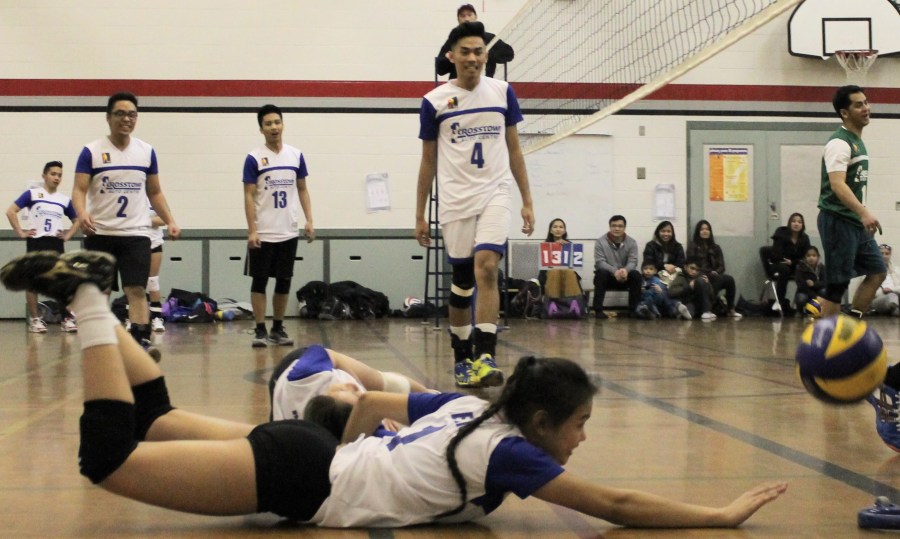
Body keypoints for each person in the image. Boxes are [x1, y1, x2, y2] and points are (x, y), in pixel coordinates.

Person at [0, 249, 788, 529]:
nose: (582, 437)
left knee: (157, 417)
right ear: (541, 419)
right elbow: (617, 506)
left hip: (309, 456)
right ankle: (90, 300)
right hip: (303, 474)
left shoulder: (471, 402)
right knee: (107, 458)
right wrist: (718, 513)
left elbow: (373, 406)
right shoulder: (511, 454)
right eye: (578, 423)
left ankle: (96, 299)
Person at [414, 21, 535, 388]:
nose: (473, 58)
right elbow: (428, 161)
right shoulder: (434, 101)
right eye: (465, 52)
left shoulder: (502, 92)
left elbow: (515, 149)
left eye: (479, 51)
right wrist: (418, 213)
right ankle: (461, 356)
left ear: (486, 56)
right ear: (451, 56)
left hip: (495, 192)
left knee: (487, 267)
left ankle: (486, 355)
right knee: (462, 284)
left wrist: (527, 200)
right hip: (455, 201)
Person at [71, 91, 180, 355]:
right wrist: (82, 213)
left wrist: (170, 220)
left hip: (135, 234)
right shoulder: (92, 151)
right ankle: (101, 342)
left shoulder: (145, 151)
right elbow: (78, 189)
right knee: (100, 292)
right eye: (120, 113)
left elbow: (155, 191)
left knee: (136, 289)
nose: (126, 119)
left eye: (131, 114)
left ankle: (141, 342)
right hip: (101, 234)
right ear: (108, 118)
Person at [243, 104, 315, 348]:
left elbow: (303, 189)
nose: (274, 127)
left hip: (288, 231)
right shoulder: (254, 158)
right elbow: (248, 195)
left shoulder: (296, 155)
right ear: (261, 129)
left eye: (277, 122)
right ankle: (261, 329)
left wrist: (309, 220)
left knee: (284, 281)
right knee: (259, 281)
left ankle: (277, 327)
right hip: (263, 232)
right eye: (268, 124)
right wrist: (252, 230)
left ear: (282, 124)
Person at [817, 85, 886, 319]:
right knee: (838, 284)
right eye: (859, 104)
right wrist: (864, 212)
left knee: (878, 271)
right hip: (838, 219)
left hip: (855, 222)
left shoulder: (858, 141)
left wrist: (862, 216)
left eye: (866, 102)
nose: (866, 108)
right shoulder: (839, 143)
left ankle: (850, 327)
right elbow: (837, 185)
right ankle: (825, 345)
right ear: (844, 113)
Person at [5, 160, 80, 332]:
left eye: (60, 175)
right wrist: (20, 232)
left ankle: (66, 318)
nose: (57, 177)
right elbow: (11, 211)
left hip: (55, 243)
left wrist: (68, 234)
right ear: (44, 175)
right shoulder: (32, 194)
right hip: (37, 242)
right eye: (53, 174)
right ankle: (35, 320)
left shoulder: (64, 200)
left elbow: (77, 220)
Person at [268, 344, 432, 423]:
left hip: (295, 367)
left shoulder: (304, 375)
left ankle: (431, 395)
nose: (353, 386)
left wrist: (377, 402)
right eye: (358, 394)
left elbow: (331, 355)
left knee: (384, 382)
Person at [435, 4, 514, 80]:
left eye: (469, 15)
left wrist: (487, 53)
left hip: (484, 87)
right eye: (463, 16)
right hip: (459, 87)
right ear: (458, 20)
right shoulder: (452, 41)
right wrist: (451, 58)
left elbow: (509, 54)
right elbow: (440, 70)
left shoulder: (489, 38)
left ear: (475, 17)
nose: (466, 19)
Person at [686, 220, 742, 319]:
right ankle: (707, 309)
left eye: (707, 229)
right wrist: (705, 273)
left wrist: (716, 272)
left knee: (729, 279)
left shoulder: (716, 247)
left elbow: (721, 265)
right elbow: (691, 264)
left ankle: (730, 309)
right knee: (710, 278)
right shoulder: (693, 246)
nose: (705, 231)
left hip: (714, 274)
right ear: (698, 231)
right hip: (699, 274)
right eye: (702, 229)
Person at [592, 215, 641, 319]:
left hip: (624, 277)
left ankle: (633, 310)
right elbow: (599, 262)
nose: (617, 228)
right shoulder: (600, 242)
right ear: (610, 227)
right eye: (614, 225)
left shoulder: (632, 242)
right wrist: (615, 271)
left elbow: (633, 261)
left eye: (620, 226)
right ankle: (598, 310)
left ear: (624, 228)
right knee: (600, 273)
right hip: (608, 277)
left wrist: (625, 270)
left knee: (636, 275)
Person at [766, 212, 811, 312]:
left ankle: (805, 303)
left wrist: (793, 262)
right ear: (789, 223)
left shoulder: (805, 238)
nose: (796, 224)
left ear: (802, 225)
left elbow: (805, 257)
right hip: (778, 264)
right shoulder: (781, 233)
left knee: (805, 270)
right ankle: (779, 301)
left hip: (795, 265)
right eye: (794, 221)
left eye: (799, 222)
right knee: (784, 269)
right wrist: (785, 260)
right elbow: (776, 253)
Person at [669, 256, 716, 321]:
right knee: (688, 312)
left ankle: (707, 311)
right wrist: (689, 287)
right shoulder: (681, 276)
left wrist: (708, 284)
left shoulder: (700, 277)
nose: (694, 272)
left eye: (697, 270)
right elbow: (671, 292)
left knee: (700, 281)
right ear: (685, 267)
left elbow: (712, 296)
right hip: (689, 303)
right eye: (692, 268)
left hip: (701, 304)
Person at [860, 244, 900, 316]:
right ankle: (895, 309)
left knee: (893, 295)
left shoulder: (896, 271)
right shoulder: (869, 271)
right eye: (881, 253)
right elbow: (867, 292)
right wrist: (883, 291)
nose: (884, 256)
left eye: (887, 254)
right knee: (892, 296)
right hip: (879, 299)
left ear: (890, 255)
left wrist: (892, 289)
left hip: (895, 294)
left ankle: (895, 309)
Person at [147, 206, 166, 332]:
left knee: (153, 280)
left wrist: (144, 220)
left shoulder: (153, 199)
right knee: (134, 283)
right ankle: (131, 318)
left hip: (154, 243)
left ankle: (156, 317)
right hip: (133, 243)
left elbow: (163, 219)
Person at [793, 245, 826, 314]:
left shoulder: (822, 267)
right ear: (805, 257)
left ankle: (821, 310)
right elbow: (801, 286)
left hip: (817, 290)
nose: (811, 258)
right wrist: (815, 297)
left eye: (814, 255)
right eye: (808, 256)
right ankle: (800, 311)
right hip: (805, 292)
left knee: (824, 291)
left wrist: (814, 284)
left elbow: (824, 282)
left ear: (818, 257)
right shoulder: (800, 268)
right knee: (801, 298)